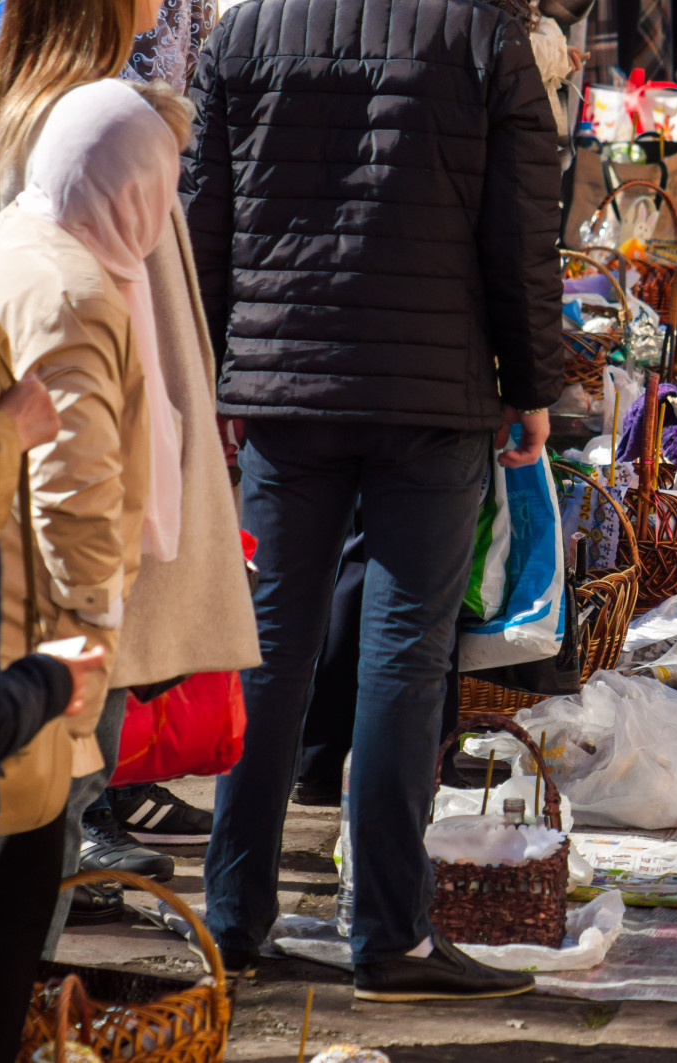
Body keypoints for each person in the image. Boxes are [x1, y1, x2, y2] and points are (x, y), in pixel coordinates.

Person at [184, 0, 562, 1000]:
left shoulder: (243, 31)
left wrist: (219, 372)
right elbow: (521, 229)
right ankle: (392, 935)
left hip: (284, 393)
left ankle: (232, 918)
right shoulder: (481, 35)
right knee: (406, 654)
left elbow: (203, 220)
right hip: (431, 393)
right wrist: (532, 384)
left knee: (266, 648)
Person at [0, 68, 183, 1060]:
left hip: (1, 620)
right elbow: (76, 490)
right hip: (24, 639)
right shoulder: (75, 286)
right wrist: (82, 655)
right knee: (10, 915)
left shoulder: (7, 243)